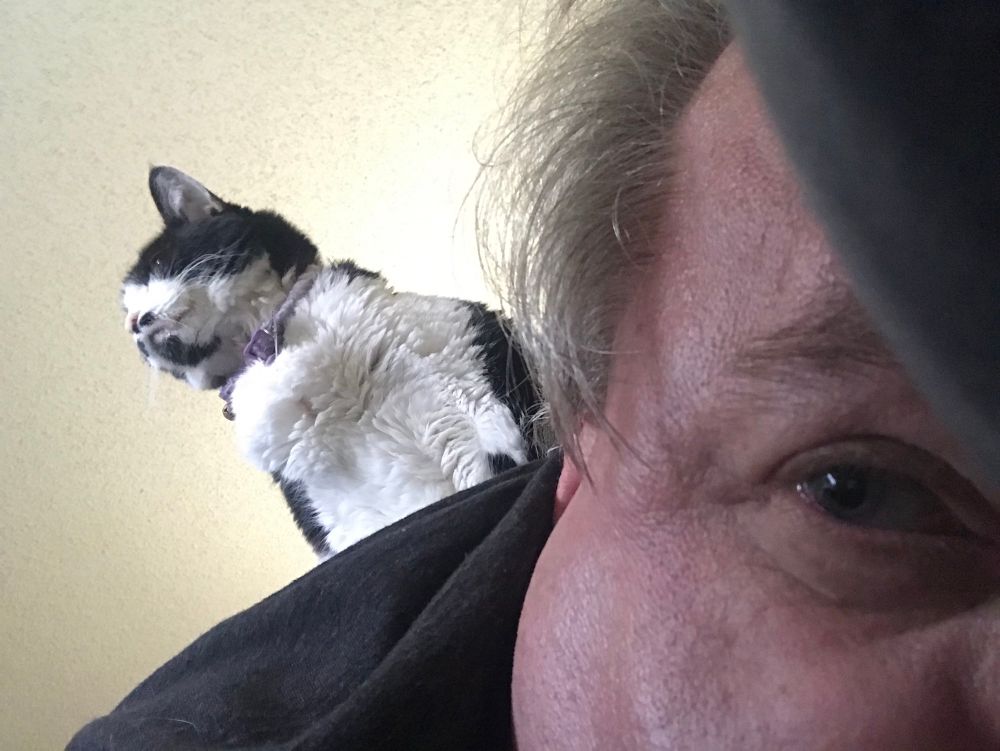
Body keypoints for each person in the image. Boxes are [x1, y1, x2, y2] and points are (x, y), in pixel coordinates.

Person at [70, 1, 1000, 748]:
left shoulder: (368, 313)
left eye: (851, 490)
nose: (144, 318)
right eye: (855, 489)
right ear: (586, 423)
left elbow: (475, 408)